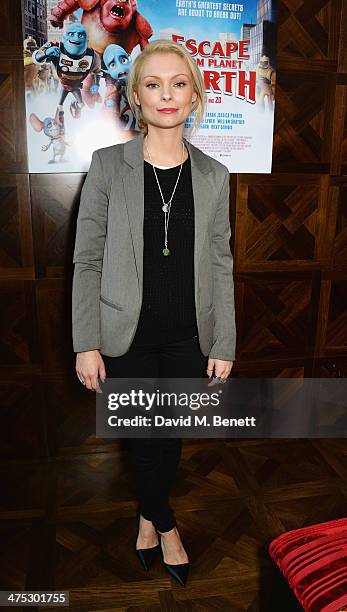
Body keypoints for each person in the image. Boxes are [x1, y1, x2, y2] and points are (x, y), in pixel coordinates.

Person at [72, 39, 236, 587]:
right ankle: (165, 524)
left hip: (190, 335)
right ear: (136, 97)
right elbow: (87, 258)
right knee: (142, 433)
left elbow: (221, 262)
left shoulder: (214, 175)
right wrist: (85, 341)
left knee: (169, 434)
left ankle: (146, 514)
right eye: (153, 84)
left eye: (179, 83)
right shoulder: (107, 166)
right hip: (126, 333)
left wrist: (224, 343)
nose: (167, 94)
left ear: (194, 97)